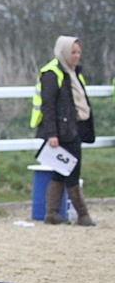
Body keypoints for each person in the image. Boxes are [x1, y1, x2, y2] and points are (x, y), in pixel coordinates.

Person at [32, 36, 95, 226]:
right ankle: (82, 215)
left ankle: (52, 214)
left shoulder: (73, 72)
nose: (76, 56)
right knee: (72, 172)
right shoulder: (52, 73)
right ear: (64, 52)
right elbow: (48, 106)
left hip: (72, 130)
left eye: (78, 52)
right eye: (73, 52)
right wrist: (52, 134)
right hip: (63, 132)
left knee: (61, 172)